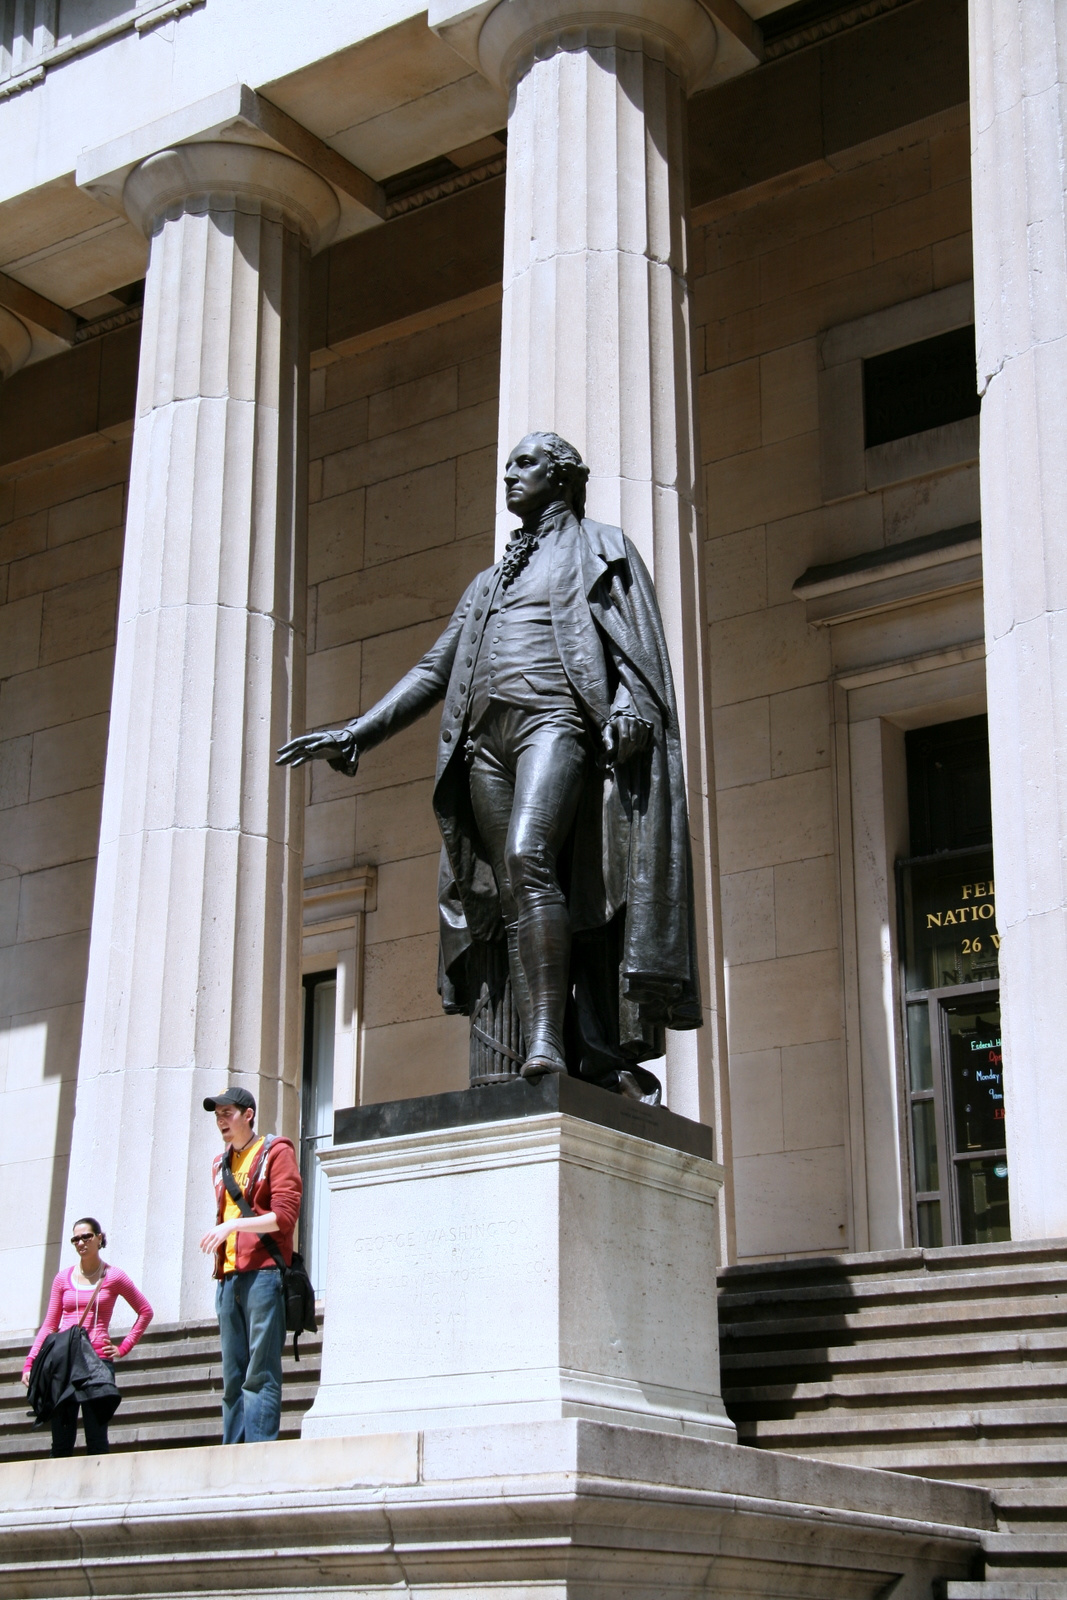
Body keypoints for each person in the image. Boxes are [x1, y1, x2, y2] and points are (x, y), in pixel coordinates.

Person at [278, 432, 700, 1103]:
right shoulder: (488, 582)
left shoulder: (601, 546)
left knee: (530, 855)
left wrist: (627, 704)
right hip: (484, 743)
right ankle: (534, 1040)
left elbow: (636, 652)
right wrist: (358, 732)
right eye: (506, 466)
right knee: (506, 888)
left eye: (525, 465)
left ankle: (544, 1042)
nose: (508, 476)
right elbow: (432, 669)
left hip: (554, 722)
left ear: (562, 478)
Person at [199, 1087, 301, 1444]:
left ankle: (258, 1456)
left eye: (228, 1113)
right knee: (233, 1376)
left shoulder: (276, 1151)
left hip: (264, 1275)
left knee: (259, 1374)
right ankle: (232, 1456)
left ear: (249, 1114)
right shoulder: (220, 1163)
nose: (221, 1121)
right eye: (217, 1115)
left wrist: (234, 1224)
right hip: (227, 1278)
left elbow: (285, 1217)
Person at [22, 1217, 152, 1456]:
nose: (80, 1242)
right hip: (64, 1362)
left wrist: (124, 1347)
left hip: (97, 1362)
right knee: (61, 1441)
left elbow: (145, 1311)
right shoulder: (63, 1279)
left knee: (97, 1438)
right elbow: (50, 1324)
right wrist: (30, 1362)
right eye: (75, 1239)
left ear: (99, 1238)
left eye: (86, 1237)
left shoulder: (114, 1276)